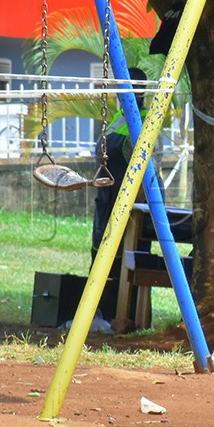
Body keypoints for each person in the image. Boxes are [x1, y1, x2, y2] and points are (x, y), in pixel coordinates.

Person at [91, 66, 153, 280]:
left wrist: (135, 208)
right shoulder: (119, 117)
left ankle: (126, 313)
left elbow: (150, 169)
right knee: (100, 261)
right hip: (106, 201)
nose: (122, 93)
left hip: (131, 207)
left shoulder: (147, 121)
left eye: (130, 88)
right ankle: (99, 311)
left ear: (142, 91)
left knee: (125, 268)